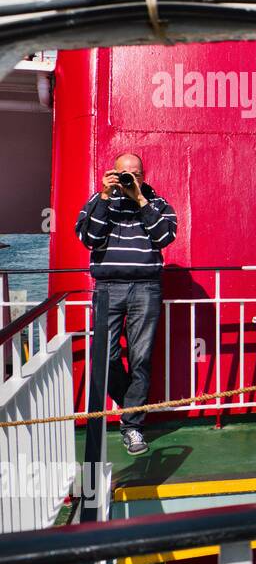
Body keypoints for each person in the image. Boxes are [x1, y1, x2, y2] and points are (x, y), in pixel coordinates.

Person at [74, 152, 178, 457]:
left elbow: (164, 237)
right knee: (105, 359)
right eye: (123, 173)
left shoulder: (157, 205)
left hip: (145, 287)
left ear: (144, 175)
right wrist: (105, 196)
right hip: (108, 288)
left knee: (141, 359)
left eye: (135, 173)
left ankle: (132, 426)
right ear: (112, 173)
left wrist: (141, 201)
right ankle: (130, 407)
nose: (129, 178)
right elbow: (89, 237)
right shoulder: (99, 200)